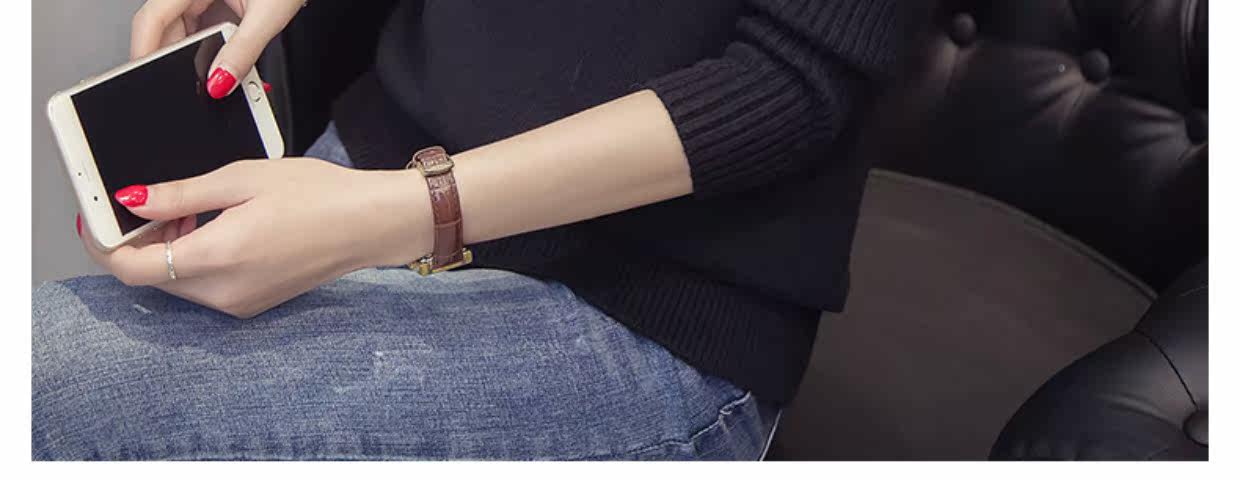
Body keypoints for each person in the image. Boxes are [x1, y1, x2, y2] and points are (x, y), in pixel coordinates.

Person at [32, 0, 911, 460]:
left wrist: (399, 215)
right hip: (374, 159)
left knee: (38, 380)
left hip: (641, 300)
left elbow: (792, 84)